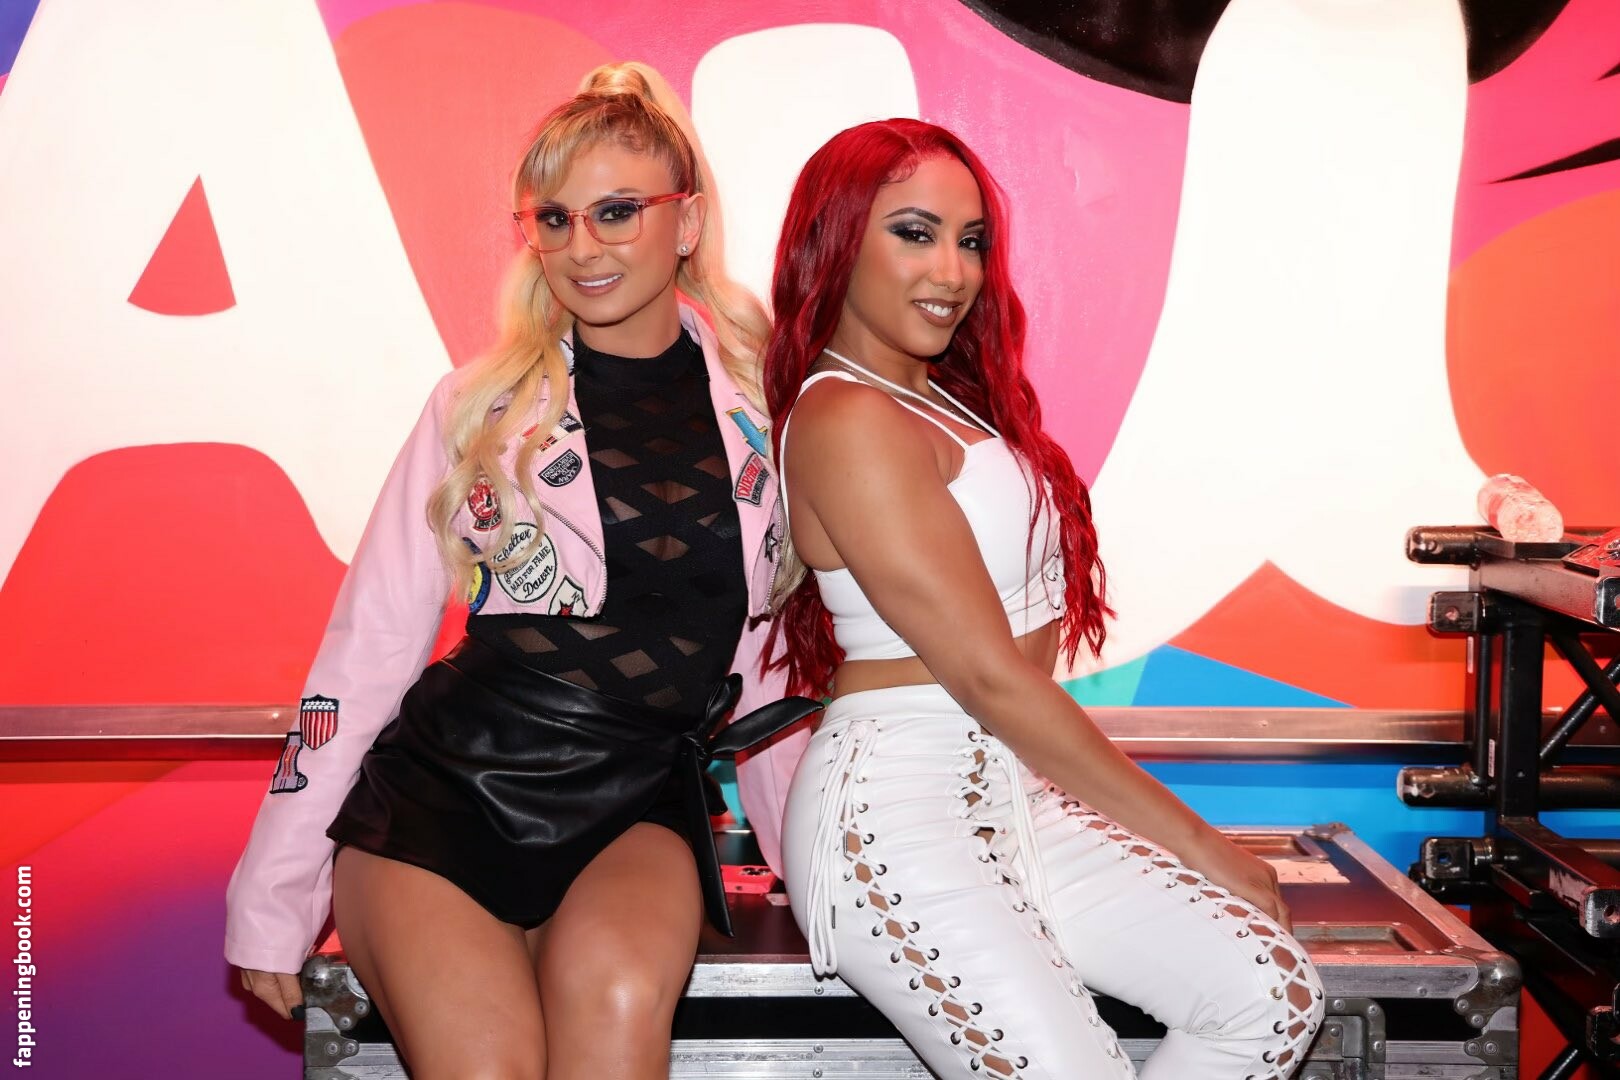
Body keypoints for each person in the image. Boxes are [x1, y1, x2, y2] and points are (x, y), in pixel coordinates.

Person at [225, 62, 814, 1080]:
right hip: (443, 802)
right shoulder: (477, 406)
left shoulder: (769, 407)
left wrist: (817, 874)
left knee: (618, 1007)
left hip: (638, 807)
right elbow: (368, 650)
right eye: (554, 219)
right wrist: (274, 895)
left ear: (685, 222)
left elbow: (766, 671)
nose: (582, 247)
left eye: (617, 212)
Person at [769, 119, 1326, 1079]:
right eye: (914, 233)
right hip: (897, 816)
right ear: (838, 240)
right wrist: (1203, 846)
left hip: (1010, 792)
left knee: (1266, 995)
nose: (952, 270)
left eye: (971, 240)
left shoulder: (936, 399)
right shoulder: (846, 416)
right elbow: (991, 679)